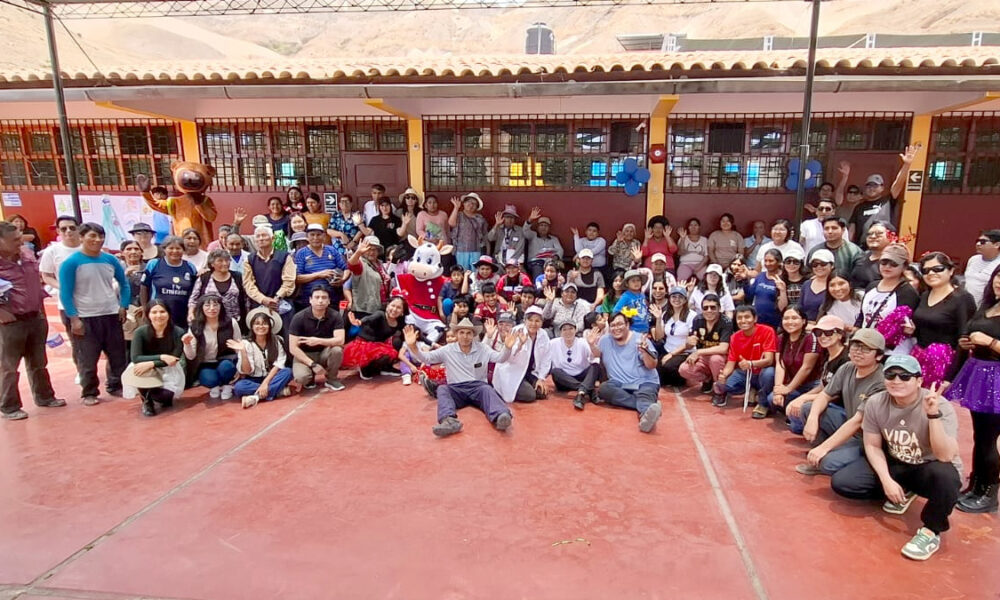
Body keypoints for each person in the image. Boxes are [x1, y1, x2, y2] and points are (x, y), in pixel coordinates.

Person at [831, 355, 961, 562]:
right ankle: (903, 490)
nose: (896, 380)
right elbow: (872, 445)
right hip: (897, 462)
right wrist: (886, 481)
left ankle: (931, 531)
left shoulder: (939, 405)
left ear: (919, 381)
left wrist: (933, 416)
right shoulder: (876, 402)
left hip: (927, 466)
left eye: (905, 376)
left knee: (946, 477)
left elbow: (944, 455)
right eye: (890, 375)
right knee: (844, 482)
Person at [793, 328, 886, 476]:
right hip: (848, 422)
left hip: (866, 437)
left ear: (879, 356)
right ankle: (823, 452)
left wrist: (825, 448)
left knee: (828, 464)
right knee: (808, 408)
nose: (858, 352)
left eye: (866, 349)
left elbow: (858, 421)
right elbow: (824, 395)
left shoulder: (881, 382)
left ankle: (838, 456)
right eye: (855, 346)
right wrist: (812, 419)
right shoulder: (848, 367)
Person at [946, 264, 1000, 512]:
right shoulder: (988, 305)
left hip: (996, 378)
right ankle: (977, 484)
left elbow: (989, 340)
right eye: (998, 276)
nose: (999, 282)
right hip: (980, 372)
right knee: (981, 435)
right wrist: (967, 342)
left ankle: (989, 493)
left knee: (990, 439)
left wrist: (989, 341)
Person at [59, 223, 130, 406]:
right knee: (87, 358)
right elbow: (65, 293)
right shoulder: (71, 263)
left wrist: (123, 305)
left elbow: (124, 284)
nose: (97, 240)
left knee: (117, 355)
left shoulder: (110, 260)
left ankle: (116, 385)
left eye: (101, 236)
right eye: (92, 236)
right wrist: (74, 318)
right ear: (81, 237)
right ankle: (89, 392)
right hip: (86, 316)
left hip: (111, 314)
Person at [405, 318, 515, 437]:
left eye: (468, 333)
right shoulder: (447, 350)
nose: (465, 336)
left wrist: (507, 348)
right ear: (457, 334)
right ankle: (449, 421)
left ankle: (501, 416)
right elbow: (427, 358)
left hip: (478, 387)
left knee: (487, 389)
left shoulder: (483, 348)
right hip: (456, 388)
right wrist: (413, 347)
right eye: (461, 332)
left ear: (473, 335)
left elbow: (500, 358)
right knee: (442, 389)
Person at [0, 221, 64, 420]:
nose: (20, 243)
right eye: (14, 240)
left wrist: (41, 310)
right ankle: (9, 406)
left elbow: (36, 283)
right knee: (9, 366)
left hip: (35, 316)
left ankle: (45, 396)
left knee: (38, 362)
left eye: (20, 238)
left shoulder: (27, 255)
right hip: (10, 322)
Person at [903, 252, 976, 386]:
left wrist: (950, 378)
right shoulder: (924, 295)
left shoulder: (962, 298)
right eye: (926, 271)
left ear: (951, 271)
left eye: (937, 269)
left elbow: (964, 342)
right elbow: (924, 329)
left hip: (944, 362)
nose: (931, 273)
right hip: (918, 357)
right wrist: (912, 331)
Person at [587, 312, 663, 433]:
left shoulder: (640, 339)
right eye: (613, 325)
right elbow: (598, 354)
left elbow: (652, 365)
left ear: (627, 325)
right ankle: (647, 405)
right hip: (619, 383)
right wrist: (591, 344)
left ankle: (645, 417)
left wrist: (645, 352)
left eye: (620, 324)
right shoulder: (605, 340)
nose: (616, 328)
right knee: (604, 389)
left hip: (644, 382)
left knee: (645, 393)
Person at [785, 314, 850, 433]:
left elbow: (837, 394)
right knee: (793, 411)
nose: (823, 336)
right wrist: (801, 398)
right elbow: (823, 385)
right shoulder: (826, 354)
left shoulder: (846, 360)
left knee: (803, 411)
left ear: (840, 335)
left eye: (829, 332)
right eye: (818, 333)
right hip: (827, 400)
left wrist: (805, 399)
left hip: (840, 406)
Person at [756, 306, 821, 419]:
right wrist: (778, 390)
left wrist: (788, 389)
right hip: (793, 384)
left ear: (803, 321)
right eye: (786, 318)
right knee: (772, 399)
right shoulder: (781, 338)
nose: (790, 322)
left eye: (794, 318)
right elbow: (780, 365)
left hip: (811, 384)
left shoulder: (811, 338)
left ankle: (798, 412)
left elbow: (807, 368)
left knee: (796, 406)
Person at [123, 300, 185, 417]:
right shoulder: (140, 332)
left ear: (168, 314)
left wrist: (152, 363)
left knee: (165, 397)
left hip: (168, 368)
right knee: (139, 370)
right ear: (148, 315)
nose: (159, 315)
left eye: (162, 311)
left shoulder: (178, 332)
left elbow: (174, 359)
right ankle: (147, 401)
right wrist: (161, 357)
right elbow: (136, 357)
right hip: (144, 367)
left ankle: (155, 394)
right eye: (154, 312)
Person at [848, 145, 920, 245]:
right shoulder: (859, 208)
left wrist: (906, 165)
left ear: (882, 188)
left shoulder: (888, 201)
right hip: (862, 248)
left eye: (875, 185)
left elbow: (898, 184)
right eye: (869, 185)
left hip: (885, 246)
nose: (871, 188)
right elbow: (852, 229)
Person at [711, 305, 776, 407]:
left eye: (747, 317)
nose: (743, 320)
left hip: (762, 372)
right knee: (724, 385)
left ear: (755, 319)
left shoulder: (767, 331)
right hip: (745, 373)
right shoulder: (734, 337)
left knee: (769, 373)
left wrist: (751, 364)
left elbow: (769, 360)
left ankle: (762, 403)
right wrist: (723, 375)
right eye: (739, 318)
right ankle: (751, 389)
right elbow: (731, 363)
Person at [40, 215, 83, 368]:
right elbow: (46, 275)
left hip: (93, 303)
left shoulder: (89, 247)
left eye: (72, 228)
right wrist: (62, 287)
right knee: (77, 341)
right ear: (58, 231)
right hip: (68, 304)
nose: (68, 231)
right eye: (63, 229)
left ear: (79, 229)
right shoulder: (52, 251)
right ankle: (81, 372)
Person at [232, 308, 295, 408]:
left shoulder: (276, 341)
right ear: (252, 326)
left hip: (271, 377)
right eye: (257, 324)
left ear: (269, 326)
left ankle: (256, 397)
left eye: (264, 324)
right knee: (239, 387)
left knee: (288, 372)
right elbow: (247, 371)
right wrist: (243, 352)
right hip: (253, 379)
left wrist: (265, 383)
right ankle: (277, 391)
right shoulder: (246, 343)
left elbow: (279, 364)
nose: (261, 327)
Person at [183, 294, 241, 400]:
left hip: (226, 359)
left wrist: (240, 367)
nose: (212, 308)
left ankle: (227, 385)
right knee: (209, 379)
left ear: (221, 307)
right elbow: (191, 356)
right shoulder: (195, 326)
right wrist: (187, 344)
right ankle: (216, 385)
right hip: (206, 363)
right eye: (207, 305)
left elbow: (239, 346)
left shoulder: (231, 322)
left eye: (215, 305)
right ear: (201, 308)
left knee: (226, 368)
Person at [288, 286, 346, 392]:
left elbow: (340, 340)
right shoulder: (299, 317)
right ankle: (309, 378)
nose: (320, 301)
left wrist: (318, 341)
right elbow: (293, 348)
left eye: (324, 297)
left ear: (329, 301)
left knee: (337, 350)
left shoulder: (335, 316)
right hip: (305, 354)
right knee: (301, 378)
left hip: (324, 352)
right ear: (310, 300)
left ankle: (332, 379)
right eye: (317, 297)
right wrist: (312, 364)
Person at [243, 225, 297, 335]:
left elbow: (289, 280)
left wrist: (277, 298)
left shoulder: (285, 256)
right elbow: (248, 284)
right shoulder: (249, 259)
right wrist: (263, 299)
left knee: (287, 336)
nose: (261, 238)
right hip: (259, 304)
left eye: (264, 235)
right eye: (258, 236)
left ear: (272, 238)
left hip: (282, 303)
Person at [493, 305, 551, 403]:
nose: (533, 324)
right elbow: (509, 358)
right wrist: (520, 344)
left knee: (542, 393)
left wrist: (541, 378)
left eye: (537, 321)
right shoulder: (516, 331)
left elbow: (546, 358)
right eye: (530, 320)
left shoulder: (543, 335)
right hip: (512, 371)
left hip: (530, 372)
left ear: (542, 322)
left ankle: (529, 385)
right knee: (530, 395)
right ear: (525, 321)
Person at [857, 243, 920, 332]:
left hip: (889, 339)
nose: (887, 266)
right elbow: (861, 316)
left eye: (894, 264)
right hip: (866, 336)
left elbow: (905, 324)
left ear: (904, 266)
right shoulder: (871, 286)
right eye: (884, 262)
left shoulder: (907, 293)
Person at [343, 296, 408, 379]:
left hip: (379, 344)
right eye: (393, 305)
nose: (394, 309)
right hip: (364, 345)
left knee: (397, 342)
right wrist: (359, 322)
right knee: (373, 367)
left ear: (402, 311)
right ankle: (365, 368)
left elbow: (408, 330)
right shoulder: (380, 314)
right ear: (387, 305)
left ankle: (385, 368)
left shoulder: (400, 321)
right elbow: (369, 319)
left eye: (398, 307)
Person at [140, 236, 197, 330]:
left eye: (178, 248)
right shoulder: (154, 264)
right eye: (171, 248)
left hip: (182, 315)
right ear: (164, 249)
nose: (175, 251)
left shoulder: (190, 267)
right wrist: (145, 308)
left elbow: (195, 291)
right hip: (158, 314)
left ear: (183, 250)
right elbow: (144, 287)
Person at [678, 293, 732, 393]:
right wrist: (689, 343)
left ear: (719, 308)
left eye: (713, 307)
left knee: (715, 359)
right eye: (705, 308)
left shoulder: (726, 322)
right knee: (684, 369)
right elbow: (690, 344)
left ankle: (720, 390)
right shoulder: (697, 320)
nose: (709, 310)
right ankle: (708, 380)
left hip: (720, 357)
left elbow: (724, 348)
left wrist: (698, 352)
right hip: (703, 357)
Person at [294, 223, 349, 311]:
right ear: (307, 237)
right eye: (312, 235)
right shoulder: (301, 253)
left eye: (318, 235)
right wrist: (319, 274)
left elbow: (346, 269)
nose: (315, 238)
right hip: (309, 300)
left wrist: (342, 280)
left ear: (324, 236)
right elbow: (297, 278)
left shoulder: (332, 250)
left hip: (332, 299)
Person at [188, 248, 247, 327]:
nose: (225, 263)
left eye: (227, 260)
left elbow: (246, 299)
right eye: (220, 261)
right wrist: (191, 313)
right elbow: (194, 298)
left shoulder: (237, 276)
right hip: (209, 321)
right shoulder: (204, 277)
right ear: (212, 264)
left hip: (234, 321)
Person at [549, 319, 598, 410]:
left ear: (575, 330)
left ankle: (581, 392)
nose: (568, 332)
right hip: (564, 380)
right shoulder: (553, 343)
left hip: (581, 376)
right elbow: (543, 358)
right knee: (555, 371)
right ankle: (587, 390)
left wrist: (592, 345)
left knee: (595, 366)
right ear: (560, 332)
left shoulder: (582, 342)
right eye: (564, 329)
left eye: (571, 328)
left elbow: (595, 357)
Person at [651, 287, 696, 387]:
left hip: (684, 352)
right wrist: (658, 319)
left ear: (685, 300)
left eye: (680, 297)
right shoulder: (666, 314)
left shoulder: (692, 316)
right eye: (674, 296)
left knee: (669, 367)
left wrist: (672, 354)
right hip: (667, 349)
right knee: (655, 373)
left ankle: (681, 378)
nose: (677, 299)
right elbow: (659, 336)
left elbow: (691, 342)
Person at [346, 236, 390, 317]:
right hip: (364, 310)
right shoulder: (361, 263)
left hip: (379, 308)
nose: (371, 252)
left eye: (374, 249)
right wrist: (358, 252)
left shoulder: (381, 264)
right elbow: (351, 264)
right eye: (368, 249)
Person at [743, 248, 784, 328]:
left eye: (771, 261)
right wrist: (744, 280)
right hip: (758, 321)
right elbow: (749, 295)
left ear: (779, 262)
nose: (767, 263)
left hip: (775, 322)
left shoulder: (783, 278)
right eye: (765, 261)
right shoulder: (760, 276)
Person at [848, 221, 894, 290]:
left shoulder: (895, 262)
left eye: (879, 234)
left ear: (891, 237)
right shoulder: (860, 257)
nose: (873, 236)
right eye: (869, 234)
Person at [448, 193, 488, 270]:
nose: (471, 205)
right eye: (468, 202)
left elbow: (485, 235)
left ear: (477, 207)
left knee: (475, 272)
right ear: (464, 203)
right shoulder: (458, 215)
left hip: (476, 250)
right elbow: (451, 223)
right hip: (461, 250)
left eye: (474, 204)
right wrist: (456, 208)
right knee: (462, 271)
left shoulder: (480, 218)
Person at [119, 240, 147, 349]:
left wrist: (145, 306)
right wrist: (125, 275)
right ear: (122, 252)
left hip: (143, 312)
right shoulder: (117, 268)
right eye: (129, 249)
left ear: (141, 252)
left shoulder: (148, 268)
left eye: (136, 249)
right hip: (124, 312)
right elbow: (112, 290)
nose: (133, 252)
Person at [523, 209, 564, 281]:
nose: (543, 228)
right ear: (538, 227)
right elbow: (525, 231)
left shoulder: (554, 239)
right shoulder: (533, 236)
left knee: (553, 269)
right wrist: (530, 219)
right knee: (538, 269)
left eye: (546, 226)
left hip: (550, 262)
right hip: (535, 263)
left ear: (549, 228)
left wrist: (555, 257)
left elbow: (560, 250)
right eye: (541, 225)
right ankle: (538, 286)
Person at [965, 230, 1000, 308]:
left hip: (984, 307)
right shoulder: (973, 259)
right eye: (977, 241)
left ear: (997, 245)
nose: (978, 244)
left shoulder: (998, 265)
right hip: (965, 304)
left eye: (983, 242)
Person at [800, 250, 834, 322]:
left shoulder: (835, 286)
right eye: (815, 264)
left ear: (832, 265)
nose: (819, 267)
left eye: (823, 263)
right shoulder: (806, 284)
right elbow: (800, 307)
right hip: (806, 324)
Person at [613, 269, 650, 333]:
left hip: (645, 328)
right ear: (627, 284)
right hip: (632, 329)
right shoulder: (626, 296)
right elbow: (616, 311)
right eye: (633, 281)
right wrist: (627, 314)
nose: (636, 283)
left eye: (638, 280)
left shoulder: (642, 295)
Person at [778, 245, 806, 309]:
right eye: (788, 261)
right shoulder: (780, 281)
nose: (791, 264)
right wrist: (782, 291)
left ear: (801, 264)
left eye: (796, 262)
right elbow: (781, 308)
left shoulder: (807, 280)